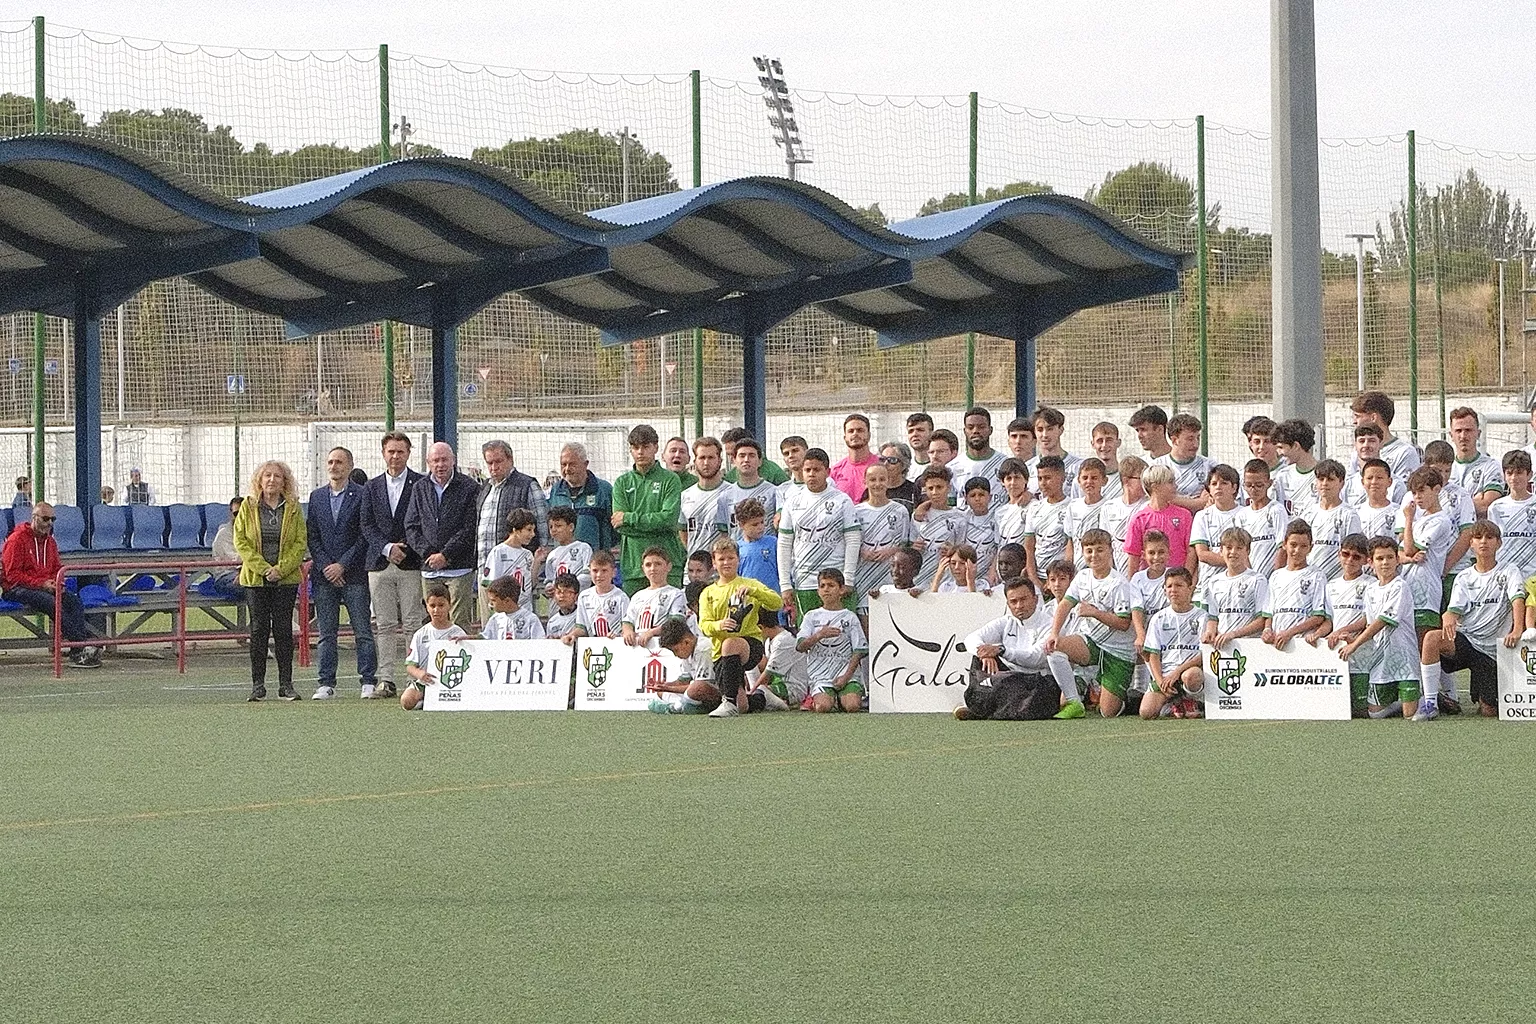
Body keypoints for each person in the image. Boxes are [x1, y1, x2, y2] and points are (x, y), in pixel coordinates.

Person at [1423, 520, 1522, 718]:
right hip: (1468, 642)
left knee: (1489, 712)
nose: (1483, 542)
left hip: (1493, 652)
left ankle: (1478, 694)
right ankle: (1430, 703)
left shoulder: (1509, 571)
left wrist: (1517, 629)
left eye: (1489, 537)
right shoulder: (1464, 577)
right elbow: (1454, 610)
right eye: (1478, 538)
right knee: (1431, 638)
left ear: (1499, 543)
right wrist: (1448, 616)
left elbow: (1517, 600)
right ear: (1471, 544)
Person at [306, 446, 377, 700]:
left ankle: (368, 680)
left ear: (349, 466)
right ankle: (326, 682)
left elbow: (364, 535)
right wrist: (327, 565)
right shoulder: (316, 498)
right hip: (324, 576)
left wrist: (343, 565)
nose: (334, 466)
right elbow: (312, 536)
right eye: (330, 462)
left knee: (362, 631)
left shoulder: (362, 494)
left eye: (339, 462)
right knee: (327, 633)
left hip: (354, 573)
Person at [360, 431, 425, 701]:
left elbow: (423, 520)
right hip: (379, 563)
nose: (395, 456)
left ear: (409, 453)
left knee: (412, 622)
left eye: (400, 451)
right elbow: (366, 524)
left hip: (410, 562)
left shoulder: (420, 484)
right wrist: (387, 549)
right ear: (383, 453)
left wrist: (404, 549)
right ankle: (386, 679)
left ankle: (414, 679)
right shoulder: (371, 487)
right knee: (384, 624)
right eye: (391, 451)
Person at [234, 460, 306, 702]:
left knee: (284, 629)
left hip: (285, 579)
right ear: (260, 480)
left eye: (277, 476)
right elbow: (241, 541)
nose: (272, 480)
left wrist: (281, 569)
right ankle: (258, 684)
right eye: (267, 476)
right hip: (255, 579)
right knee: (258, 629)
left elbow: (300, 543)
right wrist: (264, 569)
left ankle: (286, 684)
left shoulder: (294, 508)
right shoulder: (248, 506)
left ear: (284, 481)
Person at [1046, 528, 1135, 718]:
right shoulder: (1083, 577)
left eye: (1099, 550)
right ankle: (1075, 703)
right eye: (1089, 550)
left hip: (1118, 652)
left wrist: (1095, 613)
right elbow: (1064, 605)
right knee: (1054, 647)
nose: (1094, 555)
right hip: (1092, 642)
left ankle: (1129, 697)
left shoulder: (1118, 583)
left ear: (1110, 551)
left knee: (1107, 712)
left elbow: (1124, 623)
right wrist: (1054, 632)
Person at [1, 502, 99, 668]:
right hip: (15, 588)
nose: (49, 523)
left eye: (53, 519)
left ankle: (77, 651)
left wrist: (58, 581)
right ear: (34, 518)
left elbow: (56, 568)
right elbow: (12, 575)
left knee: (73, 601)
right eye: (45, 519)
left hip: (44, 586)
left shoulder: (51, 542)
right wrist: (41, 583)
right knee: (51, 603)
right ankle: (82, 645)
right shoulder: (16, 540)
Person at [1336, 536, 1425, 720]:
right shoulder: (1371, 589)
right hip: (1381, 660)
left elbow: (1381, 621)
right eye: (1380, 558)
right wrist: (1353, 638)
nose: (1385, 563)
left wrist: (1355, 645)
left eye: (1389, 557)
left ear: (1397, 560)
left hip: (1404, 659)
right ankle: (1402, 701)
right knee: (1374, 714)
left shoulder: (1400, 586)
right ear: (1370, 562)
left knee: (1411, 716)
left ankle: (1425, 699)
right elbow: (1369, 622)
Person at [700, 536, 788, 717]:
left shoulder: (750, 584)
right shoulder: (708, 592)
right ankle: (762, 697)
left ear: (738, 559)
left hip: (750, 645)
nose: (726, 562)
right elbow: (704, 625)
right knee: (744, 706)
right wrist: (719, 625)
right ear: (714, 563)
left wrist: (755, 592)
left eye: (731, 558)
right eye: (721, 559)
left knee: (731, 643)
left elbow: (777, 603)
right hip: (721, 653)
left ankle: (728, 703)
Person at [777, 447, 861, 625]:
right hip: (805, 581)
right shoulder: (793, 502)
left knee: (841, 634)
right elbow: (784, 544)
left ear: (827, 472)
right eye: (808, 470)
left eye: (817, 470)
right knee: (809, 635)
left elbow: (853, 540)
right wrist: (785, 585)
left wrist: (848, 578)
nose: (812, 474)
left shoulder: (842, 500)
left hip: (837, 582)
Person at [404, 442, 479, 631]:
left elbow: (470, 528)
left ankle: (461, 660)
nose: (440, 465)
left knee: (459, 622)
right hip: (429, 569)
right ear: (428, 463)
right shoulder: (420, 488)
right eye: (435, 460)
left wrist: (445, 555)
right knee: (433, 624)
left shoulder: (469, 487)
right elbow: (411, 526)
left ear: (453, 461)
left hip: (459, 569)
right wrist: (429, 553)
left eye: (444, 460)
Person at [474, 440, 550, 624]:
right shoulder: (485, 488)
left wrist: (539, 560)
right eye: (489, 463)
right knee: (491, 626)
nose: (494, 467)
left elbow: (542, 523)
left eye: (498, 461)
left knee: (519, 625)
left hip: (517, 570)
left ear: (510, 460)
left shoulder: (526, 485)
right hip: (487, 570)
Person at [613, 424, 686, 593]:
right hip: (634, 568)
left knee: (670, 618)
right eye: (635, 447)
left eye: (645, 447)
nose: (640, 452)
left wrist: (630, 518)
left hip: (668, 565)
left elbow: (668, 520)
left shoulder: (670, 480)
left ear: (655, 447)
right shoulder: (622, 483)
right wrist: (654, 525)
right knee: (637, 619)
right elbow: (620, 526)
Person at [797, 567, 868, 713]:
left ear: (841, 590)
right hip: (821, 675)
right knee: (823, 707)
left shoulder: (849, 617)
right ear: (818, 591)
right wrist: (818, 635)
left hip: (846, 674)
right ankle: (826, 699)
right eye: (822, 586)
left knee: (853, 706)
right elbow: (800, 646)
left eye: (831, 585)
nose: (826, 589)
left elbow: (859, 650)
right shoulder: (811, 616)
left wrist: (846, 676)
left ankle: (842, 698)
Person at [1317, 534, 1373, 717]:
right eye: (1346, 554)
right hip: (1337, 654)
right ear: (1339, 554)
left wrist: (1344, 631)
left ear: (1366, 560)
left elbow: (1367, 619)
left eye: (1356, 557)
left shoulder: (1371, 584)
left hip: (1363, 654)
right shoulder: (1331, 585)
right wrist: (1318, 634)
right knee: (1338, 710)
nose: (1350, 560)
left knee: (1361, 712)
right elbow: (1329, 621)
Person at [1139, 566, 1206, 719]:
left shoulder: (1202, 616)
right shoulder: (1159, 618)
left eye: (1179, 585)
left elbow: (1204, 654)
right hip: (1166, 675)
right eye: (1169, 586)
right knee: (1146, 713)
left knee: (1192, 676)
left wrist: (1177, 672)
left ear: (1190, 588)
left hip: (1188, 672)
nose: (1173, 590)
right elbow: (1153, 655)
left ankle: (1192, 700)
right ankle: (1175, 703)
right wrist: (1160, 680)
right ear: (1164, 590)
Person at [399, 583, 470, 711]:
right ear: (427, 607)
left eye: (441, 605)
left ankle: (431, 700)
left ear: (449, 605)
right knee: (406, 701)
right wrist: (420, 674)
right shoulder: (421, 634)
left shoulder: (458, 633)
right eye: (432, 606)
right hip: (427, 681)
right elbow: (410, 665)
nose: (436, 610)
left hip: (452, 681)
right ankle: (424, 699)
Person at [855, 460, 911, 614]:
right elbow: (851, 543)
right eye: (872, 480)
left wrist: (890, 551)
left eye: (882, 479)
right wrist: (862, 552)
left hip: (890, 575)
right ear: (865, 482)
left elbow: (906, 545)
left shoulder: (900, 511)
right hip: (864, 575)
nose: (877, 484)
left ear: (888, 481)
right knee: (867, 620)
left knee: (891, 618)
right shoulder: (857, 512)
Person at [548, 441, 620, 559]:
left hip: (595, 564)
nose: (567, 469)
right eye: (563, 464)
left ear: (585, 464)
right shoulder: (556, 491)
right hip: (563, 562)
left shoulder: (603, 490)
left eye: (572, 464)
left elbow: (615, 529)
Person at [1262, 521, 1329, 649]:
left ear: (1311, 547)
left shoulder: (1316, 575)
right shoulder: (1276, 576)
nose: (1297, 551)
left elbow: (1318, 616)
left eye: (1303, 546)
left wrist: (1290, 633)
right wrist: (1267, 630)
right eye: (1293, 545)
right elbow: (1269, 613)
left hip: (1302, 644)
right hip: (1277, 643)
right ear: (1284, 544)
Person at [1199, 527, 1268, 651]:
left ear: (1248, 551)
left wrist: (1234, 634)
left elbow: (1261, 620)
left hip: (1249, 647)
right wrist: (1210, 630)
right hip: (1222, 647)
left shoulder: (1257, 579)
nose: (1233, 552)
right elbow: (1213, 617)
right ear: (1221, 550)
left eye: (1239, 548)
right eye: (1229, 547)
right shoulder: (1214, 582)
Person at [1124, 465, 1195, 577]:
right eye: (1170, 482)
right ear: (1156, 486)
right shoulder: (1139, 519)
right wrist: (1132, 585)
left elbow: (1191, 551)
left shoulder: (1184, 515)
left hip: (1177, 582)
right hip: (1149, 583)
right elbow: (1134, 556)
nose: (1175, 486)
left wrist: (1186, 579)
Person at [647, 618, 723, 715]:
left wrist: (669, 688)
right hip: (695, 692)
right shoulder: (688, 652)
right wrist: (664, 686)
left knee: (696, 689)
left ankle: (678, 707)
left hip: (717, 692)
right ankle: (680, 706)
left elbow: (703, 685)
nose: (675, 654)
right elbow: (683, 681)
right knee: (661, 693)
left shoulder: (703, 649)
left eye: (675, 650)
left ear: (686, 642)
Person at [1190, 464, 1244, 600]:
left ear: (1234, 488)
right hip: (1209, 588)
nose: (1218, 487)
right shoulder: (1202, 516)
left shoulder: (1245, 514)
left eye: (1224, 483)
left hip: (1239, 585)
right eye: (1214, 483)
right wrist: (1234, 562)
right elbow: (1202, 554)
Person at [1302, 460, 1361, 582]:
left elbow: (1353, 549)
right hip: (1311, 578)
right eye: (1321, 479)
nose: (1324, 484)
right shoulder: (1308, 513)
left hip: (1337, 579)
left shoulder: (1349, 514)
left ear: (1341, 483)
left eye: (1330, 479)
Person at [622, 547, 687, 651]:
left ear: (668, 567)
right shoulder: (637, 596)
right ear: (643, 568)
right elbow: (628, 621)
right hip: (638, 649)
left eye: (658, 564)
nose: (653, 568)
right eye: (648, 565)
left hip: (663, 649)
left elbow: (676, 622)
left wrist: (652, 632)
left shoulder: (675, 594)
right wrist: (628, 631)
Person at [1351, 391, 1421, 484]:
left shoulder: (1404, 453)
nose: (1354, 422)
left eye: (1358, 416)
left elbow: (1405, 490)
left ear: (1373, 418)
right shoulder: (1359, 451)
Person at [912, 466, 964, 590]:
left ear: (949, 488)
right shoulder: (918, 515)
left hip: (948, 580)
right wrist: (914, 547)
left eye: (939, 487)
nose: (935, 492)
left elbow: (964, 550)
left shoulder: (959, 517)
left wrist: (953, 551)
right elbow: (909, 545)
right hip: (921, 578)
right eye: (931, 488)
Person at [1023, 456, 1071, 590]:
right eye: (1040, 478)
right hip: (1038, 578)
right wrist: (1033, 578)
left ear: (1062, 477)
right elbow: (1029, 547)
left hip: (1060, 580)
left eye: (1048, 478)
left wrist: (1061, 578)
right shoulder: (1034, 508)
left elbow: (1070, 545)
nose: (1043, 483)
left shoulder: (1071, 507)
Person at [715, 437, 779, 538]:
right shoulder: (725, 496)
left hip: (765, 552)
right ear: (734, 460)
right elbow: (724, 533)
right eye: (742, 456)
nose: (746, 460)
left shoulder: (773, 492)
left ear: (760, 461)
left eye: (752, 455)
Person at [1447, 406, 1506, 514]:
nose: (1463, 436)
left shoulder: (1491, 466)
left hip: (1477, 529)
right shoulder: (1444, 468)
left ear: (1478, 434)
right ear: (1451, 435)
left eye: (1468, 430)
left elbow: (1486, 504)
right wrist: (1472, 502)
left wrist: (1450, 506)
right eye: (1458, 431)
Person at [1488, 450, 1536, 579]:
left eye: (1519, 473)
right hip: (1505, 576)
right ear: (1504, 476)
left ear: (1529, 475)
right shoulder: (1496, 508)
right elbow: (1492, 542)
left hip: (1532, 577)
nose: (1514, 478)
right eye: (1509, 473)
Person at [679, 436, 729, 558]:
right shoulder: (686, 495)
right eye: (702, 458)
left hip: (723, 569)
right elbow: (683, 532)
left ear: (719, 461)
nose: (706, 463)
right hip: (694, 570)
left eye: (711, 458)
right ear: (695, 461)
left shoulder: (730, 493)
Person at [1151, 414, 1212, 511]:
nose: (1196, 444)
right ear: (1175, 440)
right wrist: (1197, 503)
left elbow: (1214, 496)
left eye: (1198, 438)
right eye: (1190, 439)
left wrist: (1176, 499)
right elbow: (1161, 498)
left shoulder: (1210, 466)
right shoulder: (1157, 467)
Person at [1237, 459, 1288, 577]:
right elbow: (1241, 550)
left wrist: (1275, 575)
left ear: (1269, 483)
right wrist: (1251, 576)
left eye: (1259, 485)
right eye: (1249, 485)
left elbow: (1282, 547)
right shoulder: (1241, 515)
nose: (1253, 490)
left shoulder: (1276, 510)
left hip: (1272, 576)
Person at [1099, 456, 1147, 577]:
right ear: (1126, 480)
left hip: (1141, 573)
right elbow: (1106, 544)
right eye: (1141, 479)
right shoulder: (1109, 507)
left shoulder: (1148, 506)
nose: (1146, 483)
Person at [955, 406, 1006, 506]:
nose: (975, 431)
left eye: (981, 427)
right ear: (964, 431)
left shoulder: (1004, 463)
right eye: (970, 427)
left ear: (990, 430)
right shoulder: (953, 467)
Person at [1063, 458, 1108, 571]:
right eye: (1085, 478)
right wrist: (1068, 569)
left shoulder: (1109, 506)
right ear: (1078, 480)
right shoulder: (1073, 506)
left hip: (1099, 568)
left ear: (1104, 481)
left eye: (1094, 478)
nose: (1089, 482)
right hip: (1078, 569)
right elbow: (1070, 541)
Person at [481, 508, 537, 594]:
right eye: (529, 530)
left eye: (533, 530)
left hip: (525, 607)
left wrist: (537, 561)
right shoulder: (498, 552)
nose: (533, 534)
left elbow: (530, 584)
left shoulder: (528, 554)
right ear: (515, 530)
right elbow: (489, 584)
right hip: (504, 606)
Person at [1272, 418, 1320, 518]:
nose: (1278, 453)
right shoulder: (1282, 476)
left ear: (1296, 446)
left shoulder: (1323, 476)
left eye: (1281, 447)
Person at [577, 549, 629, 639]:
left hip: (615, 646)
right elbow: (581, 627)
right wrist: (571, 635)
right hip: (592, 648)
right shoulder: (584, 597)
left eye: (604, 571)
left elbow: (627, 626)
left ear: (614, 572)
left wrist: (618, 636)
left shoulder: (622, 598)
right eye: (595, 570)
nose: (599, 575)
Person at [542, 506, 593, 593]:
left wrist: (567, 586)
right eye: (551, 527)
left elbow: (587, 576)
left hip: (577, 601)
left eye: (558, 526)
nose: (554, 530)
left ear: (571, 527)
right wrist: (549, 588)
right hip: (557, 603)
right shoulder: (552, 555)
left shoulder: (584, 548)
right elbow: (549, 579)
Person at [734, 498, 779, 594]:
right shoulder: (736, 548)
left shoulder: (773, 543)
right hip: (749, 599)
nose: (760, 527)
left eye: (762, 522)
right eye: (755, 524)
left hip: (772, 597)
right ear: (741, 525)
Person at [830, 413, 878, 502]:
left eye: (860, 430)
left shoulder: (881, 466)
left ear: (869, 435)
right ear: (845, 437)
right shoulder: (836, 470)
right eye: (851, 431)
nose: (855, 434)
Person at [480, 575, 544, 640]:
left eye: (493, 600)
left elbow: (539, 642)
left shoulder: (530, 619)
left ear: (507, 601)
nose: (490, 604)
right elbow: (485, 639)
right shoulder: (495, 619)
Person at [720, 426, 790, 485]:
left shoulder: (774, 473)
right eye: (728, 455)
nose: (731, 459)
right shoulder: (730, 477)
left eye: (734, 454)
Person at [207, 496, 246, 597]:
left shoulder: (252, 532)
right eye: (236, 514)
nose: (240, 517)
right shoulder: (224, 534)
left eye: (244, 513)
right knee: (252, 587)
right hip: (225, 576)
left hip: (245, 573)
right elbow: (237, 560)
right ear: (230, 514)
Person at [545, 572, 589, 644]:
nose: (562, 595)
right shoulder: (552, 621)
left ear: (576, 596)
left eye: (567, 592)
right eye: (559, 592)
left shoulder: (583, 615)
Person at [1089, 421, 1124, 502]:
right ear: (1093, 444)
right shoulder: (1084, 480)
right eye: (1099, 441)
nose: (1104, 445)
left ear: (1118, 443)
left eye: (1109, 440)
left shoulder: (1127, 478)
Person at [905, 412, 935, 480]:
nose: (915, 434)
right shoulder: (906, 469)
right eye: (911, 431)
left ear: (931, 433)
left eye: (920, 430)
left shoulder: (941, 465)